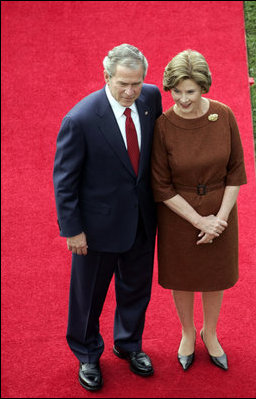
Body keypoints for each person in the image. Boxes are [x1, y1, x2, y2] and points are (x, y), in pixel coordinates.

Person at [53, 43, 162, 391]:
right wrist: (73, 230)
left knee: (136, 289)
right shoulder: (81, 119)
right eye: (123, 84)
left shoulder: (151, 99)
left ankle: (128, 344)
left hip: (142, 220)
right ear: (106, 78)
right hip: (96, 229)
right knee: (88, 297)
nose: (131, 92)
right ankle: (87, 354)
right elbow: (64, 181)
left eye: (137, 83)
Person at [151, 50, 247, 372]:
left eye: (189, 91)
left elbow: (235, 172)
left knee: (213, 276)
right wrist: (198, 220)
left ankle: (211, 332)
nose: (182, 99)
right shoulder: (164, 126)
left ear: (203, 87)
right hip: (180, 215)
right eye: (176, 91)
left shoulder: (224, 116)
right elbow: (161, 185)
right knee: (183, 277)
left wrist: (218, 220)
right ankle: (188, 332)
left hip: (220, 212)